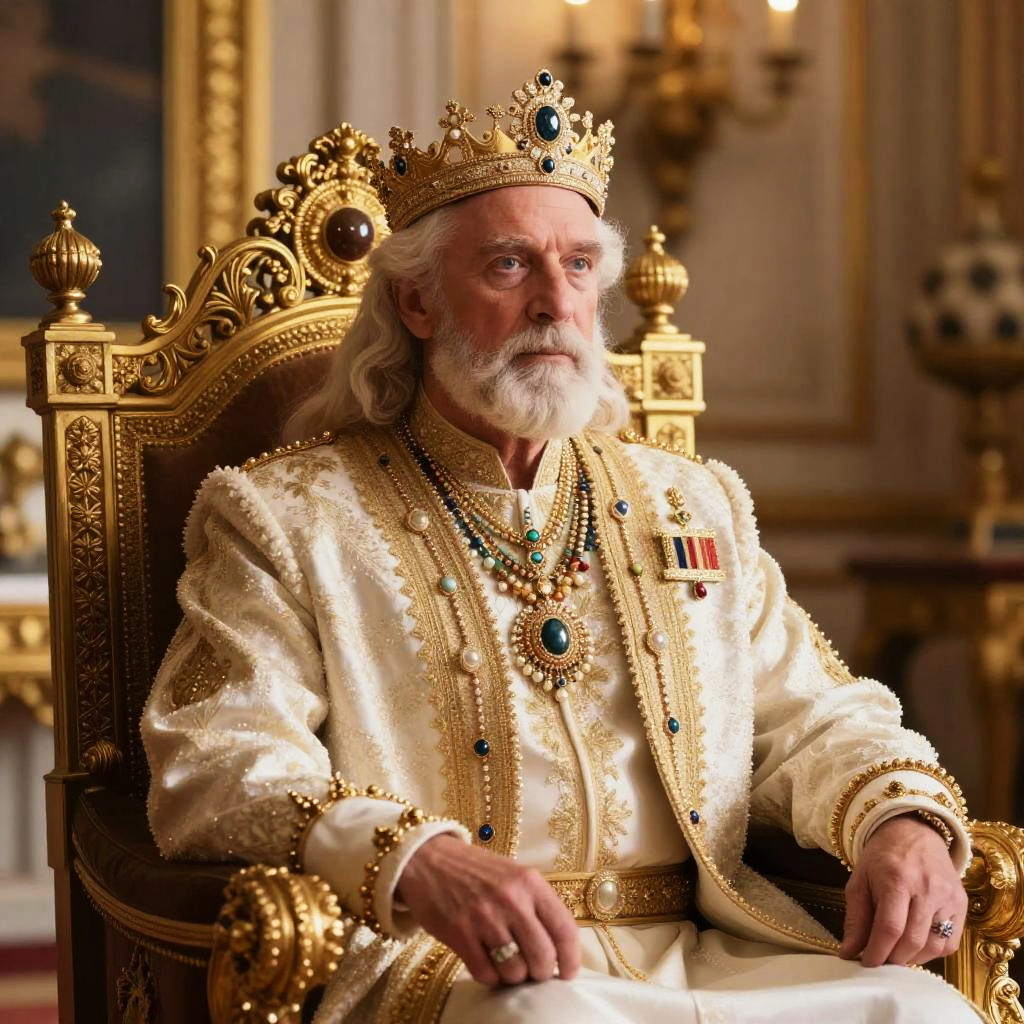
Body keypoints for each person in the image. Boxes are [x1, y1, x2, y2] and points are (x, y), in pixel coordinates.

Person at [142, 69, 981, 1023]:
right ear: (418, 304)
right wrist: (414, 859)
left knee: (927, 1011)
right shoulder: (284, 515)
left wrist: (899, 818)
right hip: (453, 966)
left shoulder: (692, 502)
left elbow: (814, 716)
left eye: (579, 265)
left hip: (707, 951)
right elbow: (215, 759)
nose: (555, 299)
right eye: (509, 265)